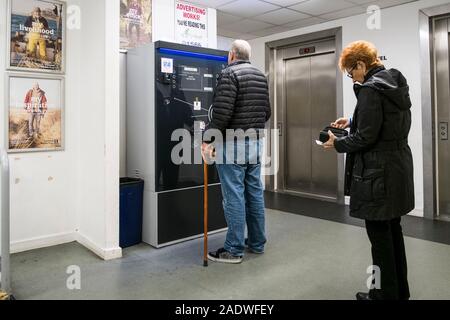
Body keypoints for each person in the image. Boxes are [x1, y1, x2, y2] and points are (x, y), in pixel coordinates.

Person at [323, 41, 414, 300]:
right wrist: (351, 120)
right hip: (397, 168)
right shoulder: (393, 84)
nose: (352, 77)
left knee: (379, 239)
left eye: (351, 72)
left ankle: (383, 295)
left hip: (377, 174)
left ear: (361, 65)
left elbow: (366, 137)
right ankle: (398, 292)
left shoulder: (370, 90)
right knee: (393, 233)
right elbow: (384, 121)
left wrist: (337, 143)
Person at [203, 40, 271, 264]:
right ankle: (257, 242)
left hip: (233, 144)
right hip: (257, 142)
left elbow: (222, 113)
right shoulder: (260, 76)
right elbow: (266, 112)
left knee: (233, 196)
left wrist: (208, 139)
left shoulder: (229, 74)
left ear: (232, 54)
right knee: (254, 193)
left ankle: (233, 249)